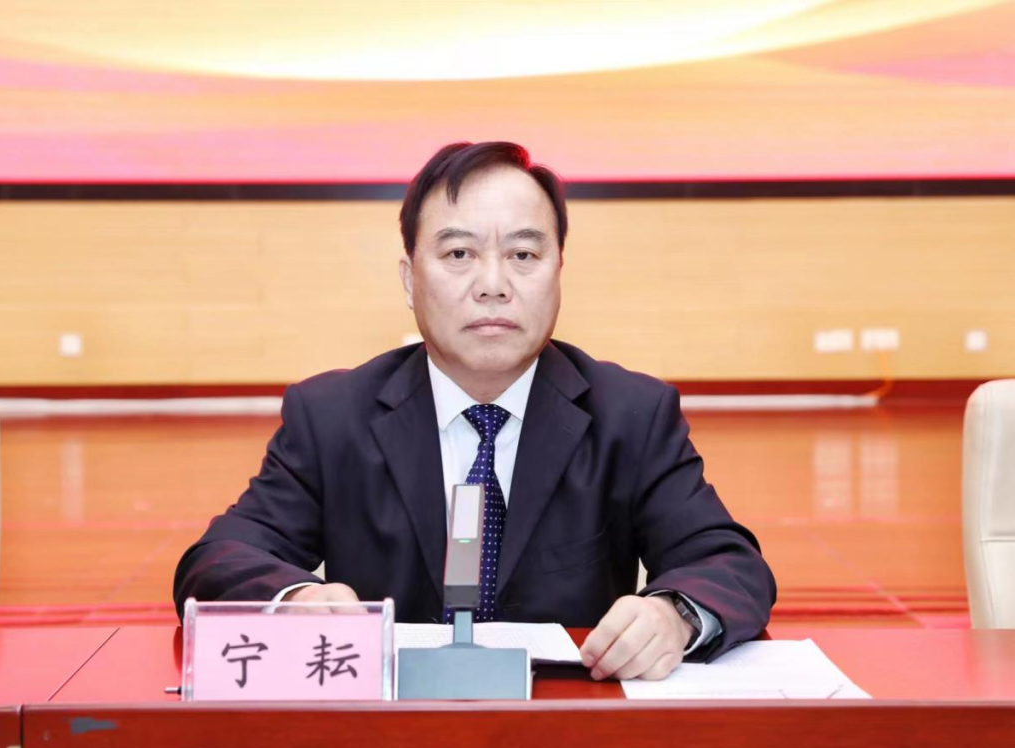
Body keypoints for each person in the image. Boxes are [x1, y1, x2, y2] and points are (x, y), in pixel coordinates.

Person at [174, 141, 776, 681]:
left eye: (523, 255)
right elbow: (220, 559)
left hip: (566, 729)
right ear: (409, 279)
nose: (493, 284)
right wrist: (296, 600)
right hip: (391, 731)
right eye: (459, 253)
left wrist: (674, 615)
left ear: (558, 273)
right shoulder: (332, 416)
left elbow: (728, 563)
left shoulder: (632, 414)